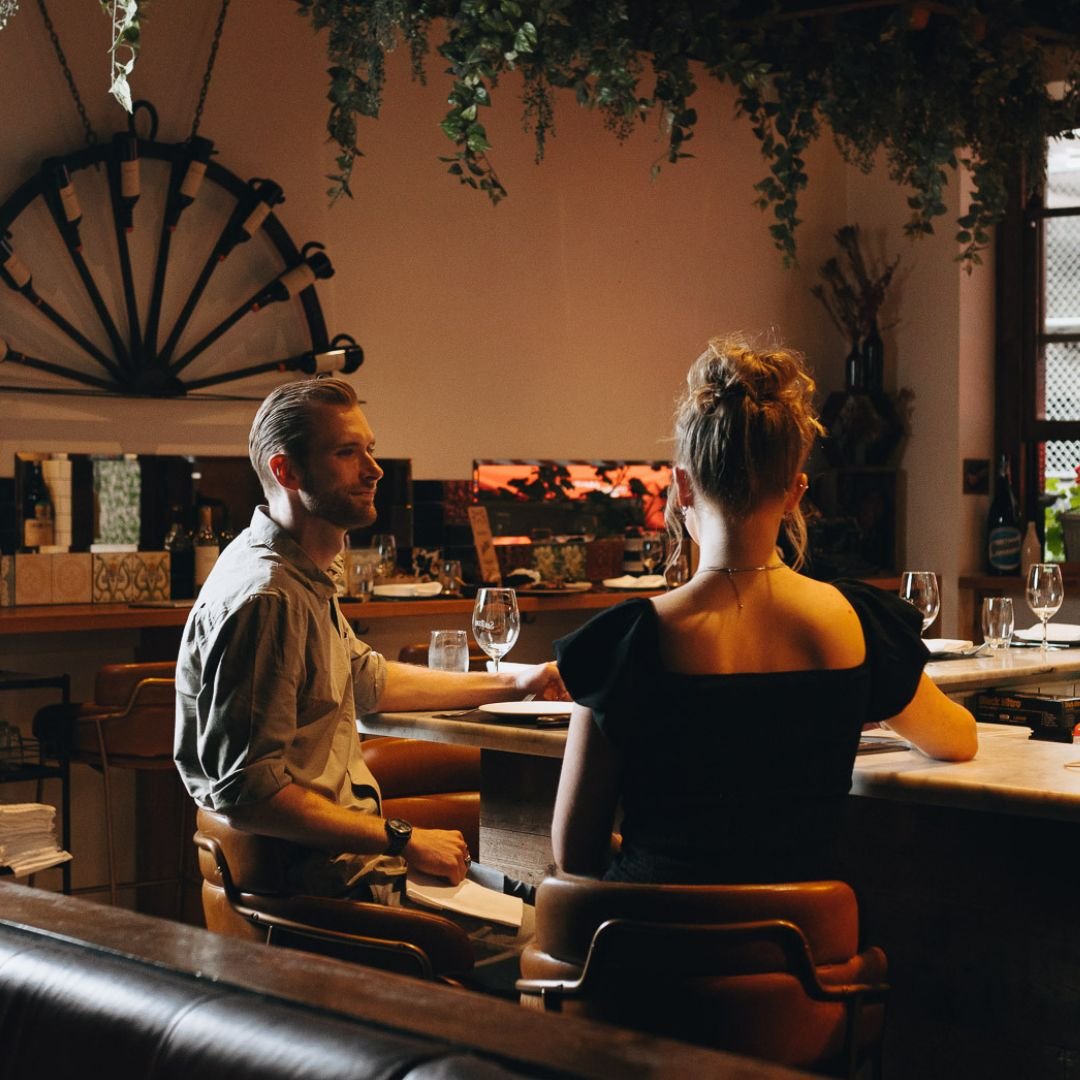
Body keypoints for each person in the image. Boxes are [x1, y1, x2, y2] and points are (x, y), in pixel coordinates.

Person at [551, 335, 977, 884]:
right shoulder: (854, 621)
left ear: (682, 486)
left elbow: (574, 854)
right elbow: (957, 740)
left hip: (649, 947)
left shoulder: (624, 642)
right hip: (798, 945)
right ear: (797, 491)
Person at [174, 377, 561, 954]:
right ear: (288, 472)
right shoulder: (268, 597)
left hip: (358, 870)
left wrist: (518, 679)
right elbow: (250, 794)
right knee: (561, 943)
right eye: (347, 452)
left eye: (370, 449)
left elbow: (368, 680)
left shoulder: (298, 571)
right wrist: (403, 839)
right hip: (335, 891)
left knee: (550, 900)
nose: (374, 469)